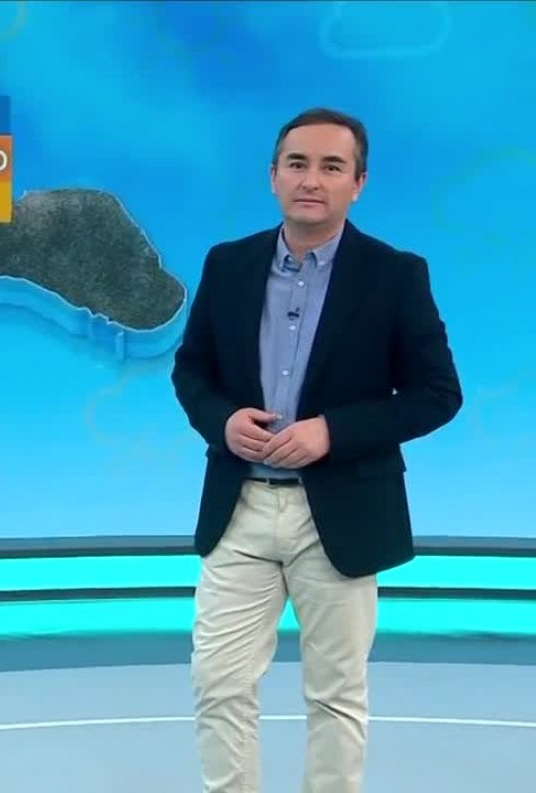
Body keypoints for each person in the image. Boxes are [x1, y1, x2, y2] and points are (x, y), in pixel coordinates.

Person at [171, 107, 463, 793]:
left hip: (340, 513)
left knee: (335, 693)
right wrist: (222, 421)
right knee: (218, 681)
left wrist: (332, 430)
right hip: (240, 507)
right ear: (273, 175)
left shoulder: (395, 275)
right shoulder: (227, 264)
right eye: (297, 164)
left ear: (357, 184)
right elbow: (191, 371)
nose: (312, 179)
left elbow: (436, 393)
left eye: (332, 167)